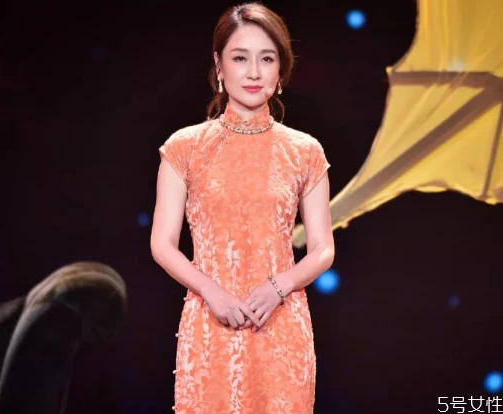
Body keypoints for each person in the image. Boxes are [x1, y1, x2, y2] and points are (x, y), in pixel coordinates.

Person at [151, 2, 335, 413]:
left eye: (266, 59)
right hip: (209, 321)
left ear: (280, 71)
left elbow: (323, 248)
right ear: (219, 66)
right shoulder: (185, 147)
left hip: (282, 324)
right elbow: (162, 243)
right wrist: (212, 292)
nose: (253, 72)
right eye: (240, 58)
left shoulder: (304, 151)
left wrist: (278, 287)